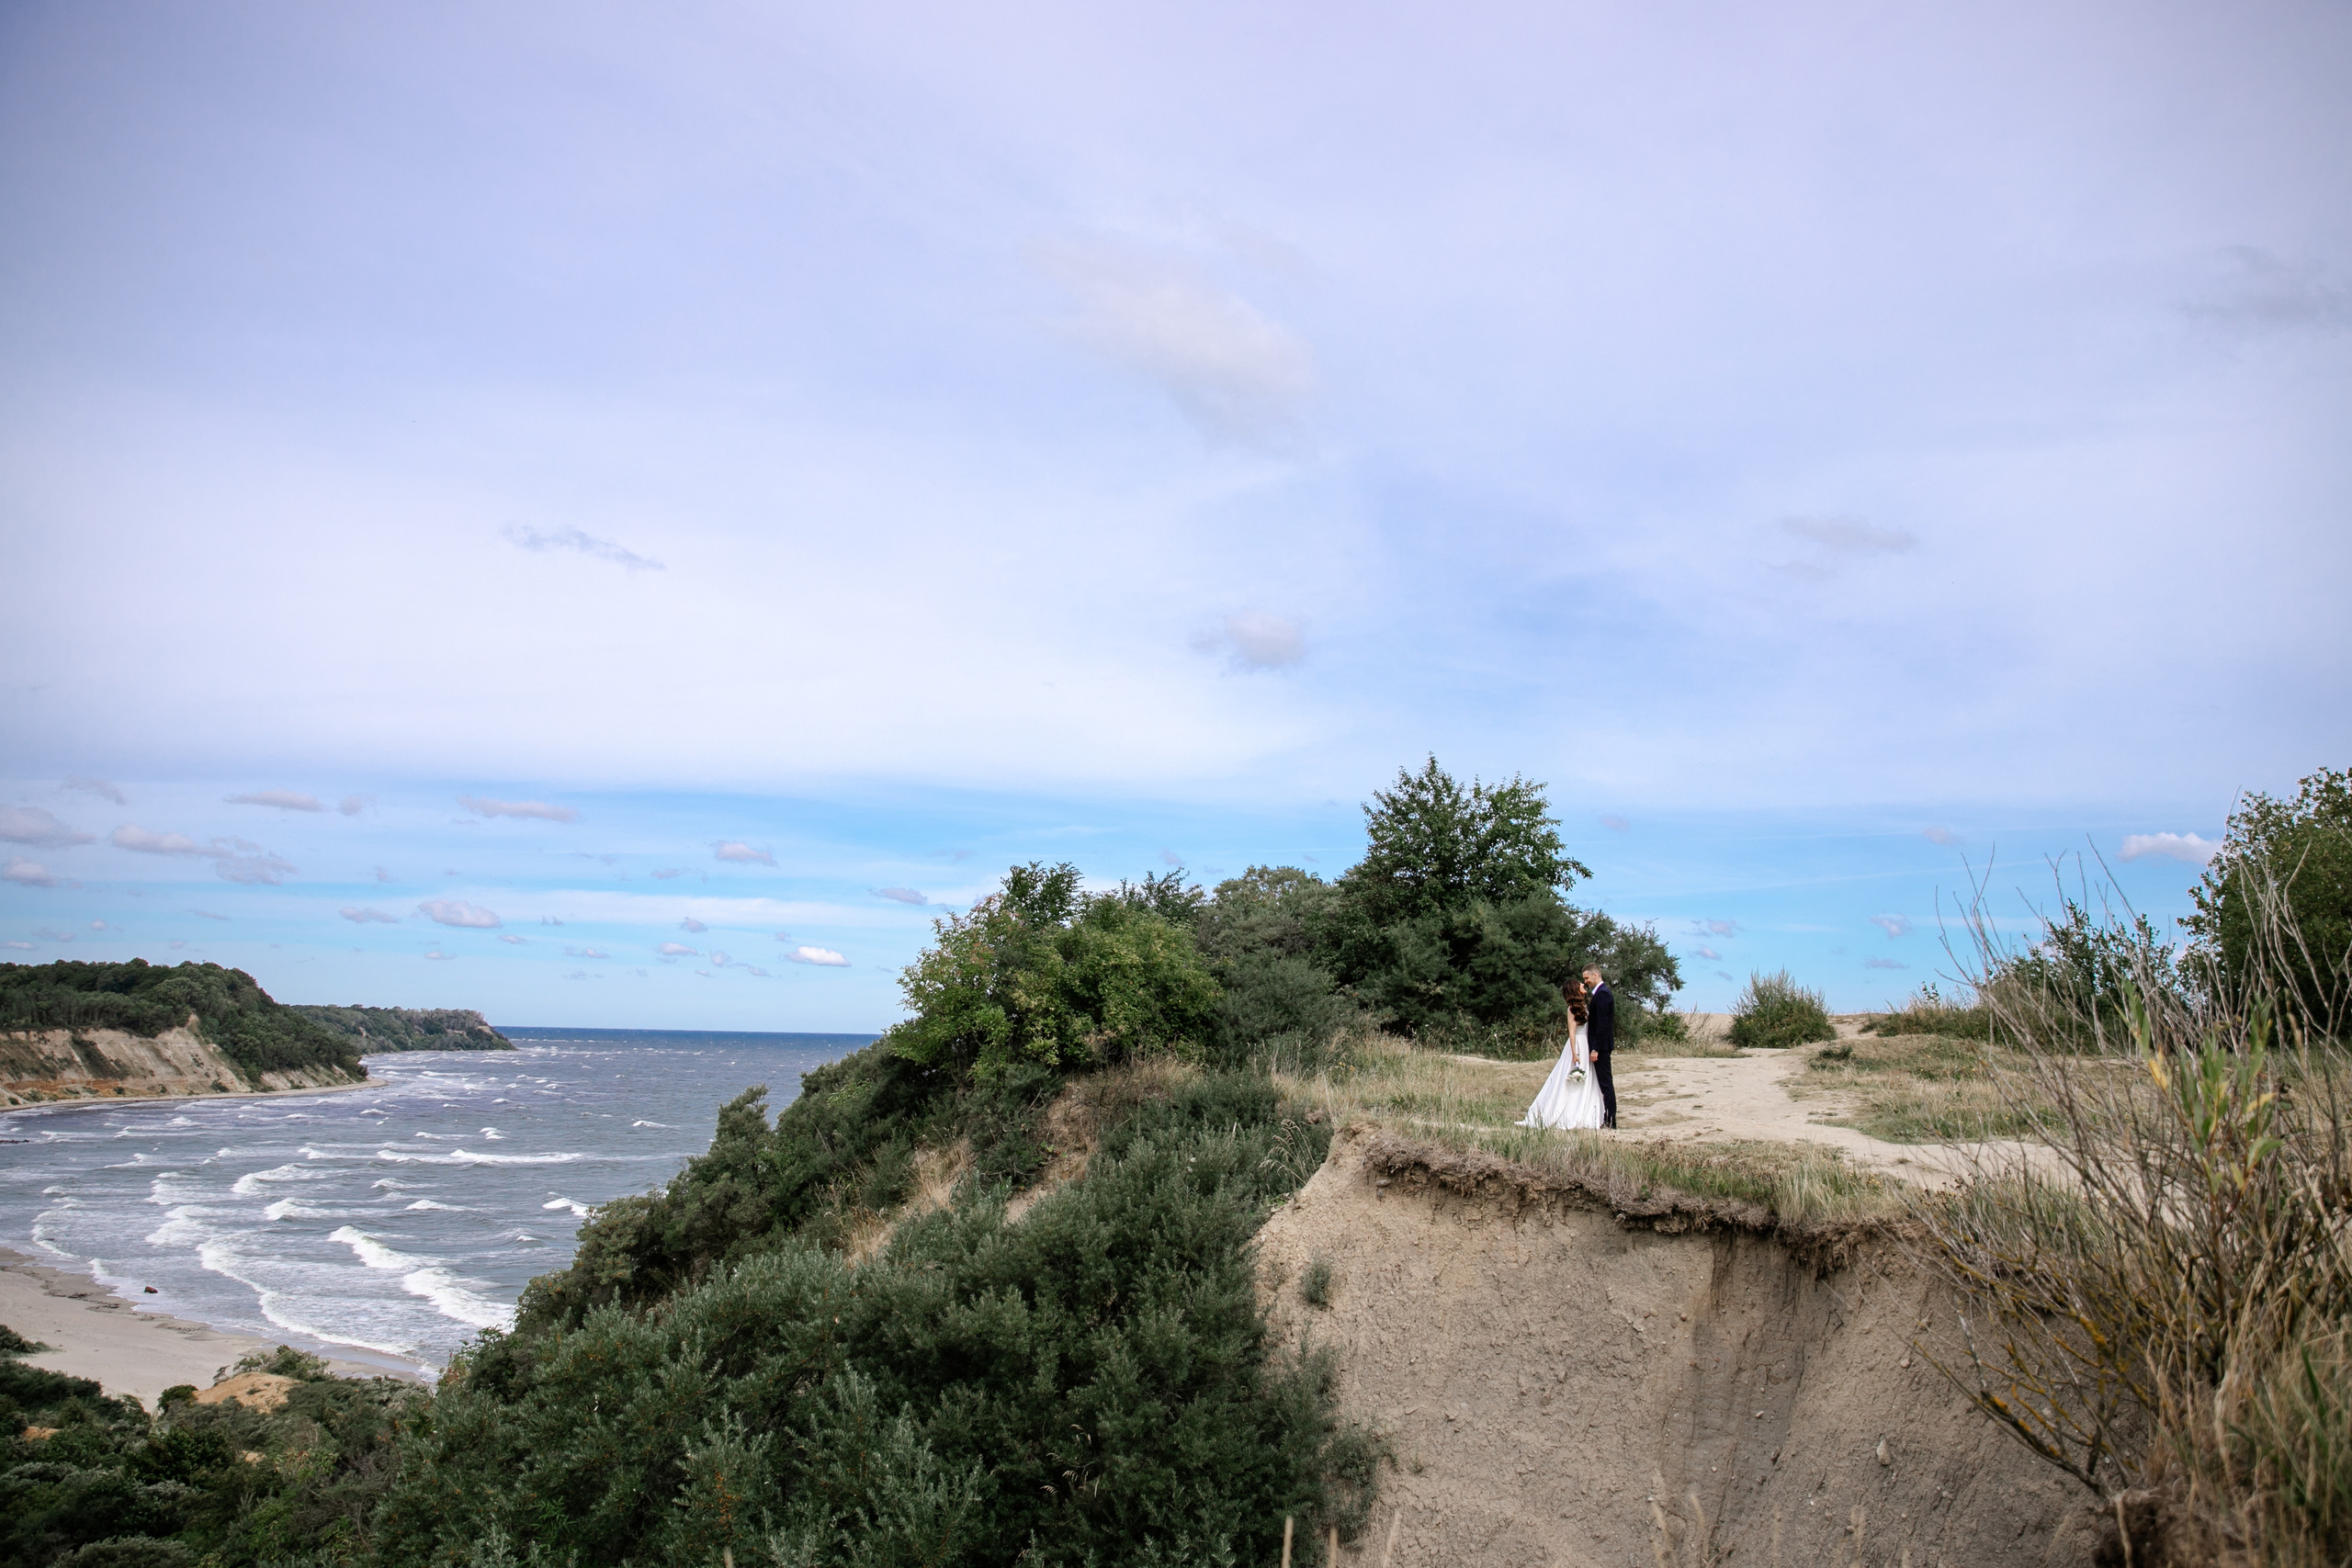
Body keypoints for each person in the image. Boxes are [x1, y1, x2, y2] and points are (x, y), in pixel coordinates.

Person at [1519, 976, 1605, 1131]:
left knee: (1589, 1076)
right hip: (1578, 1044)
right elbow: (1572, 1032)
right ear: (1574, 989)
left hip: (1587, 1043)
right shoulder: (1572, 1009)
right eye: (1580, 984)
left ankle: (1586, 1110)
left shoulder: (1584, 1006)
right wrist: (1574, 1052)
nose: (1583, 984)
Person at [1584, 963, 1618, 1129]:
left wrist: (1595, 1048)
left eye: (1587, 978)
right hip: (1600, 1046)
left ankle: (1611, 1121)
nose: (1585, 982)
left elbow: (1602, 1024)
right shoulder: (1598, 994)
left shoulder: (1603, 994)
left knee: (1606, 1084)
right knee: (1603, 1083)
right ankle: (1605, 1118)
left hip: (1602, 1047)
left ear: (1595, 975)